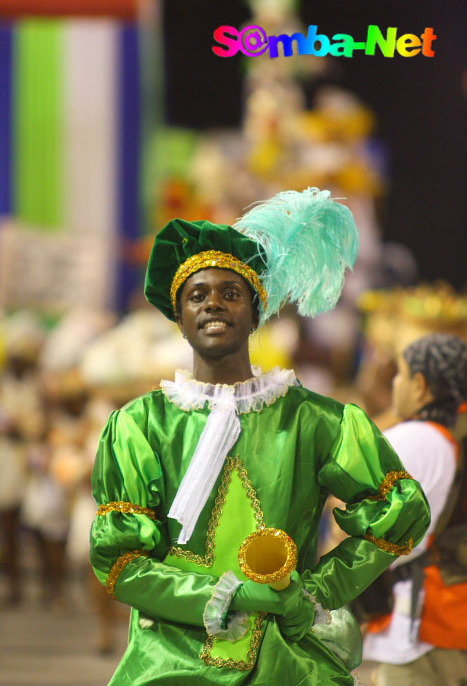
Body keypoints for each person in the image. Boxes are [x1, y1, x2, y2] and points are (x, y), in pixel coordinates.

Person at [90, 187, 430, 685]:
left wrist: (314, 592)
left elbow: (400, 512)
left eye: (231, 294)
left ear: (255, 312)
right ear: (178, 317)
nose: (213, 305)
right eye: (196, 295)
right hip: (170, 667)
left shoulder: (317, 420)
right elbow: (120, 563)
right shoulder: (138, 427)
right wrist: (227, 595)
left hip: (286, 665)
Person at [363, 333, 467, 686]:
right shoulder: (450, 438)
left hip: (421, 628)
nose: (395, 384)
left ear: (420, 386)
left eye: (400, 374)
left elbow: (376, 536)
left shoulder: (414, 439)